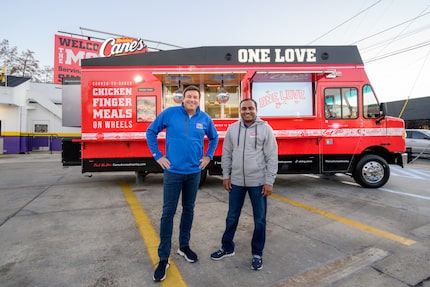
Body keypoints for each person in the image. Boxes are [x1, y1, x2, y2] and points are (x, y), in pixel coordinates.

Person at [146, 85, 219, 282]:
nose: (192, 100)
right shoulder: (170, 114)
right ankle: (163, 258)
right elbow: (151, 132)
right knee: (168, 213)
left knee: (189, 209)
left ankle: (184, 247)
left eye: (195, 97)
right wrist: (158, 156)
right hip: (173, 172)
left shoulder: (205, 119)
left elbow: (214, 138)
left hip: (194, 173)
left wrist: (208, 156)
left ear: (199, 99)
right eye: (189, 96)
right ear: (182, 98)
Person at [210, 98, 278, 271]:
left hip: (258, 182)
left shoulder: (265, 129)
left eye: (250, 108)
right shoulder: (233, 129)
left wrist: (269, 181)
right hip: (237, 182)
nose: (247, 111)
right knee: (232, 216)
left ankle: (257, 254)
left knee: (260, 219)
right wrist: (226, 176)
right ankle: (227, 247)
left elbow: (272, 157)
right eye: (244, 109)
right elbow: (226, 154)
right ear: (239, 111)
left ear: (256, 109)